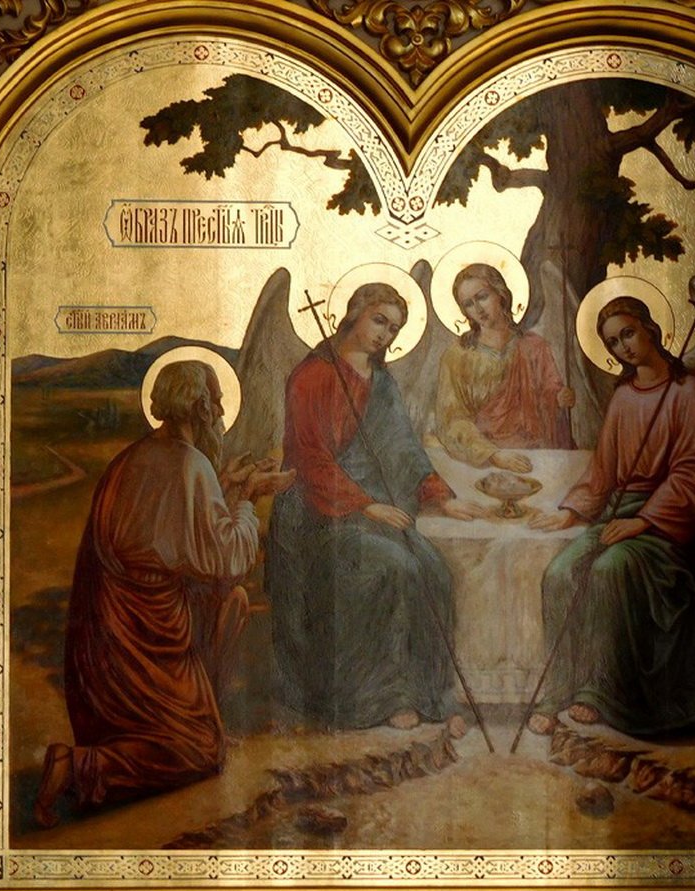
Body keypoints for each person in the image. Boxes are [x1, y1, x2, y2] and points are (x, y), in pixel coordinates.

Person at [33, 360, 294, 828]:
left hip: (106, 640)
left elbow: (175, 527)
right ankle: (80, 766)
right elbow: (225, 559)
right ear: (199, 407)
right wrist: (248, 498)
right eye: (216, 403)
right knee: (199, 755)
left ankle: (196, 723)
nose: (220, 413)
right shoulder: (188, 464)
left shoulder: (133, 458)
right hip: (145, 640)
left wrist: (226, 485)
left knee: (231, 605)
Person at [267, 282, 485, 732]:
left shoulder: (382, 382)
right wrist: (365, 505)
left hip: (375, 513)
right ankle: (381, 698)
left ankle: (429, 694)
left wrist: (439, 496)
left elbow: (404, 449)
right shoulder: (312, 376)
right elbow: (310, 459)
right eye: (379, 321)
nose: (386, 334)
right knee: (393, 568)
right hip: (320, 517)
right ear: (354, 314)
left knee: (433, 570)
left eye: (395, 328)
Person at [526, 296, 695, 736]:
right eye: (613, 343)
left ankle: (600, 691)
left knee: (609, 570)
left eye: (628, 334)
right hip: (619, 512)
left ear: (649, 329)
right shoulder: (623, 397)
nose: (623, 347)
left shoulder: (687, 391)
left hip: (671, 524)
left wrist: (644, 521)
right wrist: (573, 511)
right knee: (560, 574)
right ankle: (560, 687)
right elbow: (603, 468)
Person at [435, 263, 575, 473]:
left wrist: (559, 398)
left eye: (482, 297)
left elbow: (549, 396)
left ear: (500, 293)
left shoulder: (534, 347)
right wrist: (493, 455)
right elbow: (452, 421)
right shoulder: (457, 356)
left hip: (535, 457)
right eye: (468, 304)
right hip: (484, 463)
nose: (478, 309)